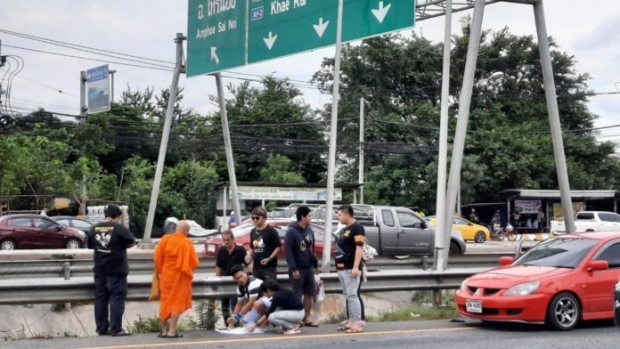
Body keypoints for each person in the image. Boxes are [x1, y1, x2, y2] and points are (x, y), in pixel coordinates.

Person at [86, 204, 136, 336]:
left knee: (101, 298)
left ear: (105, 215)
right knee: (116, 297)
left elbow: (90, 245)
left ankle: (101, 328)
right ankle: (116, 328)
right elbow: (131, 242)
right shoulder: (120, 228)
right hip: (116, 269)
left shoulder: (93, 228)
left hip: (100, 269)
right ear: (117, 216)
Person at [153, 220, 199, 338]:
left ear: (176, 229)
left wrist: (161, 270)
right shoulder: (186, 242)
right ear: (186, 231)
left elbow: (157, 257)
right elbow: (193, 262)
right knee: (176, 302)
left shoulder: (165, 239)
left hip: (166, 275)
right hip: (180, 276)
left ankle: (163, 330)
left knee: (165, 301)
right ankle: (172, 331)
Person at [285, 205, 319, 327]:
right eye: (309, 216)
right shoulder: (291, 232)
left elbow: (312, 249)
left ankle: (307, 317)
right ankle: (297, 318)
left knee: (309, 293)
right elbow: (288, 253)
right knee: (297, 294)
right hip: (297, 268)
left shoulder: (309, 230)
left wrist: (315, 265)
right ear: (303, 217)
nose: (311, 218)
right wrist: (293, 269)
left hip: (308, 267)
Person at [334, 204, 365, 334]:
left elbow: (359, 247)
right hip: (342, 267)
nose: (338, 217)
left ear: (347, 214)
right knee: (348, 295)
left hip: (350, 267)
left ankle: (357, 322)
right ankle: (351, 320)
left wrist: (356, 267)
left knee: (352, 295)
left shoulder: (358, 227)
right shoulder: (346, 228)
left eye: (340, 214)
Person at [214, 229, 250, 325]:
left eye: (228, 240)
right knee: (224, 306)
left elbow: (248, 263)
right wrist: (217, 280)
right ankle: (227, 325)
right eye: (224, 240)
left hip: (237, 282)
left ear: (232, 239)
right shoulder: (221, 251)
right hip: (224, 281)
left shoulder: (240, 250)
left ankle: (236, 323)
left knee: (235, 304)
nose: (226, 242)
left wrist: (251, 276)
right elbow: (219, 267)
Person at [226, 264, 271, 328]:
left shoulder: (254, 283)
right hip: (257, 306)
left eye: (241, 276)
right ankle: (261, 323)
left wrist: (238, 316)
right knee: (243, 323)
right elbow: (239, 304)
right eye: (237, 278)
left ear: (245, 273)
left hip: (270, 303)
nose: (241, 279)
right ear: (234, 279)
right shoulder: (239, 288)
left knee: (257, 304)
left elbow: (251, 303)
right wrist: (233, 317)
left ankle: (266, 321)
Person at [247, 207, 281, 283]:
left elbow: (278, 246)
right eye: (253, 218)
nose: (254, 220)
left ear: (263, 218)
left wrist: (269, 258)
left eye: (257, 218)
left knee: (270, 288)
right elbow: (252, 247)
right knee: (257, 289)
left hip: (269, 267)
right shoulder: (253, 231)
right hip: (256, 267)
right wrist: (248, 255)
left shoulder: (271, 231)